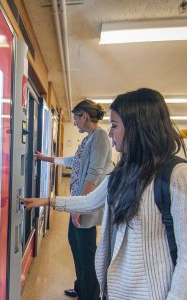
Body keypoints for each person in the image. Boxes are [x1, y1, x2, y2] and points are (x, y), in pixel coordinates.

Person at [22, 88, 187, 300]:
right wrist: (45, 201)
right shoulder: (124, 171)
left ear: (138, 127)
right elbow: (92, 201)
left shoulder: (180, 177)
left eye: (115, 126)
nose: (109, 133)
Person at [35, 99, 112, 300]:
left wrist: (81, 206)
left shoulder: (100, 137)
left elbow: (93, 174)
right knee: (75, 244)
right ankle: (81, 287)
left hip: (85, 205)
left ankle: (90, 295)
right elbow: (73, 161)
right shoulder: (89, 138)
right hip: (78, 203)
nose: (75, 122)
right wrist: (47, 159)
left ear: (84, 116)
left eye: (75, 118)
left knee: (86, 252)